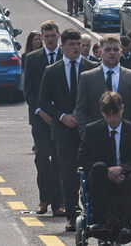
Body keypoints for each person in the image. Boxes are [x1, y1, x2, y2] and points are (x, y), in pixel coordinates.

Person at [37, 28, 98, 231]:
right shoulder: (52, 70)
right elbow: (43, 101)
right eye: (71, 45)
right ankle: (72, 214)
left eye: (78, 44)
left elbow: (97, 99)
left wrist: (81, 118)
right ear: (63, 47)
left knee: (91, 172)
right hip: (63, 131)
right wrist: (62, 117)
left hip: (88, 130)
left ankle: (92, 212)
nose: (75, 48)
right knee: (68, 175)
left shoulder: (92, 68)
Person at [77, 91, 131, 239]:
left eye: (115, 114)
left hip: (126, 178)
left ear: (122, 109)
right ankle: (100, 221)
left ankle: (127, 223)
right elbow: (81, 158)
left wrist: (122, 169)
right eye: (107, 115)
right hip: (101, 180)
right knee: (98, 167)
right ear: (102, 113)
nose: (112, 119)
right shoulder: (92, 130)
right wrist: (108, 172)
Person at [22, 20, 65, 217]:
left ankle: (59, 202)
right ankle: (43, 198)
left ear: (58, 35)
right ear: (41, 37)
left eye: (52, 36)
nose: (49, 40)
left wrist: (59, 114)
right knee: (42, 157)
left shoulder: (66, 56)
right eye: (46, 36)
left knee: (59, 159)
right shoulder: (32, 58)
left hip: (61, 118)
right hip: (39, 117)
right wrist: (41, 111)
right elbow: (28, 90)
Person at [74, 35, 131, 131]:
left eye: (116, 50)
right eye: (108, 50)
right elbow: (81, 110)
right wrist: (85, 133)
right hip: (96, 137)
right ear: (100, 52)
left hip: (127, 137)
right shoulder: (87, 77)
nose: (112, 53)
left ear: (120, 52)